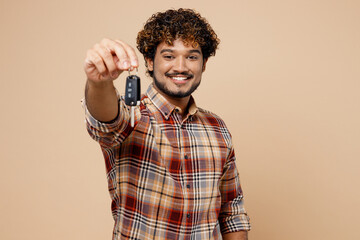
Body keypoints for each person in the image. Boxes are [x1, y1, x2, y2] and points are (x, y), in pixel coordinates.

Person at [83, 8, 250, 240]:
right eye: (169, 56)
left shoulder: (217, 128)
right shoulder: (132, 116)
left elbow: (232, 212)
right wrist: (98, 82)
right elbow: (106, 124)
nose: (180, 66)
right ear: (150, 62)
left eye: (192, 56)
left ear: (204, 64)